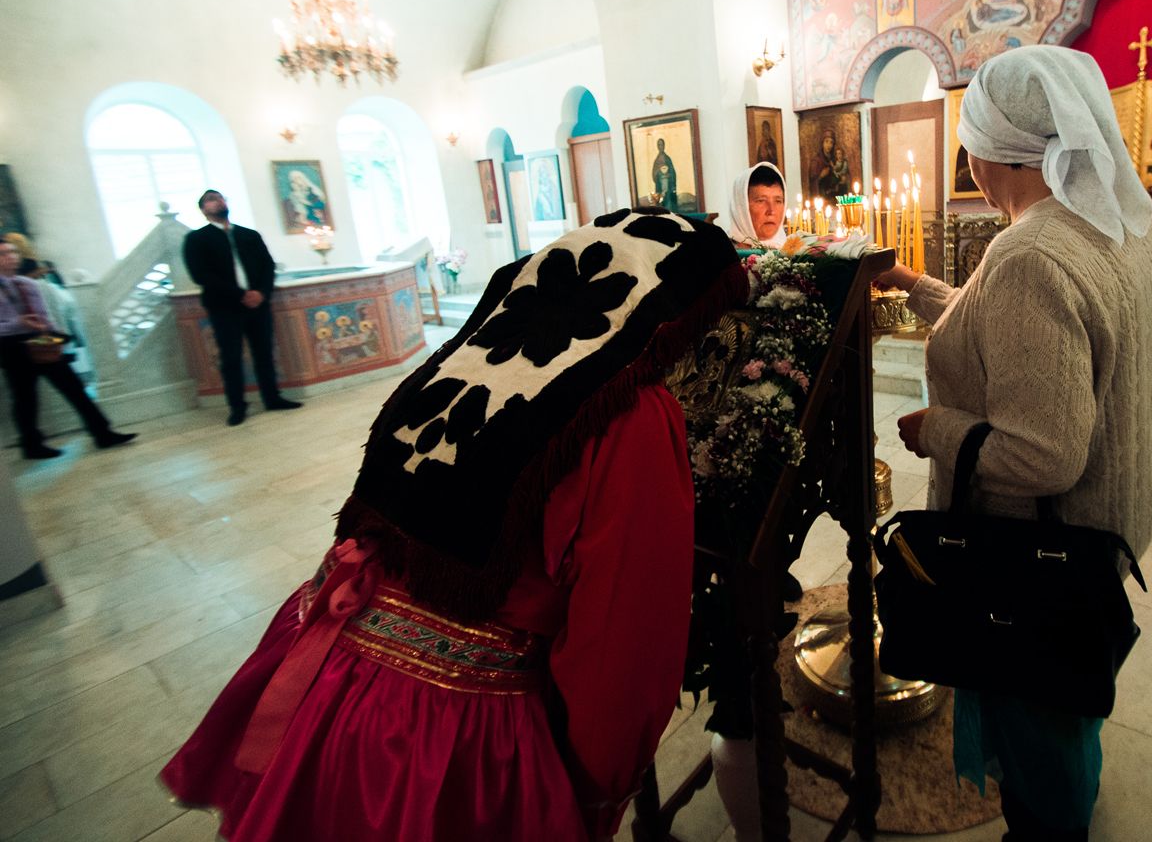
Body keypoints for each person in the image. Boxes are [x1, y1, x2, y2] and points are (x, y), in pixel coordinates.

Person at [160, 210, 747, 842]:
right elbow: (622, 651)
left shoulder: (466, 357)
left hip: (328, 680)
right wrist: (598, 790)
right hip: (440, 735)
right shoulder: (630, 415)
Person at [879, 45, 1152, 840]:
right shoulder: (1120, 222)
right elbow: (1011, 337)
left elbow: (1043, 456)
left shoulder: (1029, 254)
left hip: (1042, 558)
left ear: (992, 152)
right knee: (1072, 696)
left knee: (1040, 730)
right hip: (1107, 528)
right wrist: (913, 286)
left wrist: (936, 430)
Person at [0, 242, 135, 458]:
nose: (11, 257)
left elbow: (44, 314)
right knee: (25, 397)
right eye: (3, 254)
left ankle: (102, 432)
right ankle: (31, 445)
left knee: (74, 388)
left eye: (12, 252)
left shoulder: (27, 284)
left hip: (41, 341)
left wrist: (53, 333)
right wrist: (19, 324)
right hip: (11, 347)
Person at [182, 190, 302, 426]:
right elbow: (201, 275)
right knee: (231, 357)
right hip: (225, 307)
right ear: (203, 210)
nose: (218, 202)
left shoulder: (249, 235)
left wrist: (261, 293)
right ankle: (237, 406)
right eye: (211, 200)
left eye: (220, 198)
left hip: (258, 304)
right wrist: (241, 295)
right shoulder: (197, 239)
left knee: (264, 353)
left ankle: (272, 398)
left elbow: (267, 266)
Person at [727, 162, 788, 249]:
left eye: (778, 201)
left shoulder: (794, 252)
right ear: (741, 208)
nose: (771, 211)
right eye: (761, 201)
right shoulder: (721, 253)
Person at [651, 138, 679, 211]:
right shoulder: (656, 161)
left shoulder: (668, 159)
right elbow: (654, 174)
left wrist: (669, 176)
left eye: (661, 145)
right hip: (660, 186)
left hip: (668, 186)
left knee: (669, 205)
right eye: (659, 145)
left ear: (664, 146)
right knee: (661, 206)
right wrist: (659, 173)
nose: (660, 147)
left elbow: (673, 172)